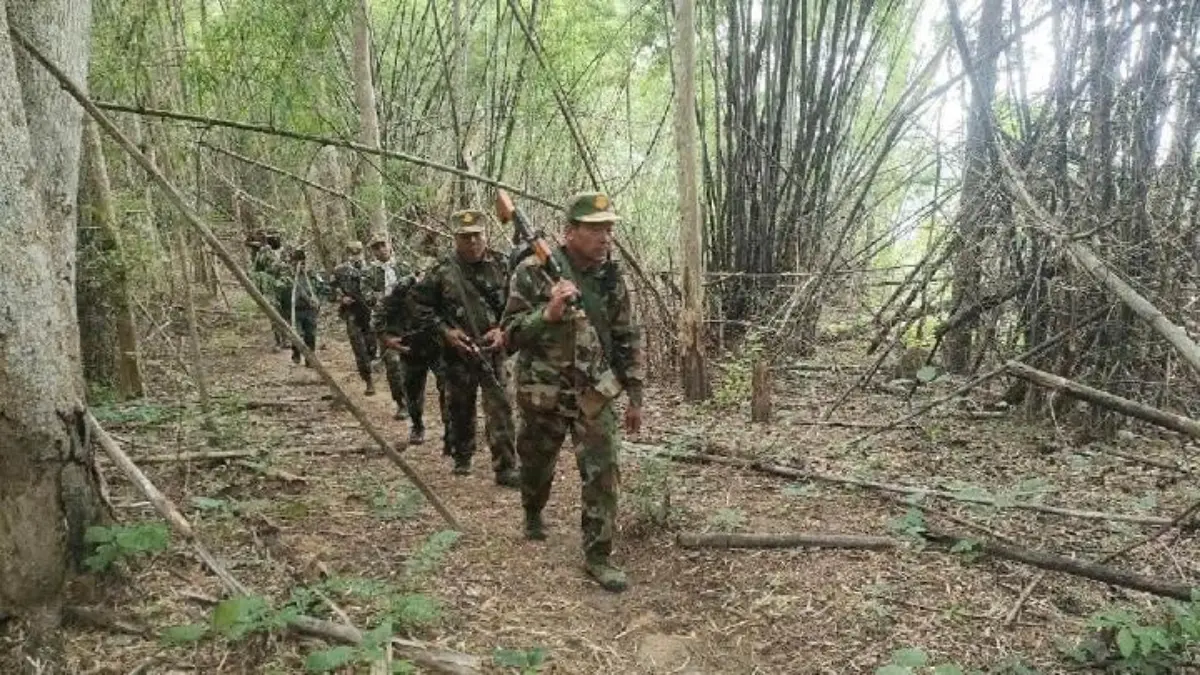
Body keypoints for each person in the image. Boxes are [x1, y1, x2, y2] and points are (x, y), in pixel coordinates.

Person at [501, 191, 644, 593]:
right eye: (596, 230)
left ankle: (598, 555)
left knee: (603, 472)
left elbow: (626, 337)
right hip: (543, 391)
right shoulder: (531, 272)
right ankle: (532, 511)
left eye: (609, 230)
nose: (605, 238)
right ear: (569, 232)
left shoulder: (613, 279)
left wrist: (634, 396)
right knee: (535, 464)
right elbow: (509, 336)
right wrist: (546, 314)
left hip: (595, 392)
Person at [412, 209, 519, 487]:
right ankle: (463, 455)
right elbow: (419, 307)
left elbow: (518, 306)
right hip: (457, 353)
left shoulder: (503, 265)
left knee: (501, 408)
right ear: (455, 238)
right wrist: (446, 332)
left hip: (493, 350)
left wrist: (503, 330)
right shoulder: (441, 270)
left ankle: (506, 466)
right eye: (464, 237)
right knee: (460, 407)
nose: (472, 242)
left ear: (485, 235)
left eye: (476, 236)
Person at [376, 266, 451, 446]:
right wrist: (388, 340)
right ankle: (417, 426)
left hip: (439, 346)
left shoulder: (447, 286)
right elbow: (379, 315)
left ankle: (450, 429)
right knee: (413, 390)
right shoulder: (403, 288)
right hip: (411, 347)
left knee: (448, 388)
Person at [365, 233, 411, 420]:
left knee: (413, 363)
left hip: (409, 321)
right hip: (385, 323)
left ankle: (415, 401)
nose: (381, 250)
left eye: (383, 245)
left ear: (390, 245)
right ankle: (401, 403)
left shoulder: (405, 267)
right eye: (376, 247)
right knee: (392, 364)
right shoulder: (370, 273)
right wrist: (385, 297)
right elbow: (367, 296)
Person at [331, 240, 376, 395]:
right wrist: (340, 298)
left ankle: (371, 364)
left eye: (358, 253)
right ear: (347, 253)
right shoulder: (340, 271)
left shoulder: (373, 268)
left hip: (371, 313)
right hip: (352, 313)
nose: (355, 256)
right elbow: (330, 290)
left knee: (372, 346)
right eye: (352, 253)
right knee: (359, 348)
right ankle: (368, 381)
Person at [282, 248, 329, 366]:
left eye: (302, 262)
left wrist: (318, 301)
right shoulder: (288, 276)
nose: (299, 265)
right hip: (295, 310)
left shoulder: (312, 275)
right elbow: (283, 292)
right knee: (296, 334)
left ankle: (310, 358)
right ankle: (296, 353)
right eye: (296, 262)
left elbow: (323, 289)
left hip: (310, 311)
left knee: (310, 335)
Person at [252, 230, 290, 350]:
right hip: (271, 288)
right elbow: (257, 271)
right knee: (274, 314)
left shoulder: (285, 252)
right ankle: (279, 341)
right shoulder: (263, 253)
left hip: (286, 287)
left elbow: (291, 267)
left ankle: (288, 339)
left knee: (287, 314)